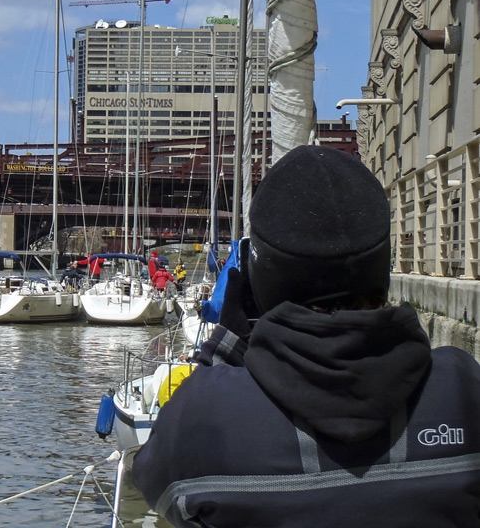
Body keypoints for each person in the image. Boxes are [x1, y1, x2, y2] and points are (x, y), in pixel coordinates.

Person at [131, 145, 480, 527]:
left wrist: (229, 340)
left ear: (257, 279)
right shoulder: (463, 387)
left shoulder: (203, 412)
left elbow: (154, 483)